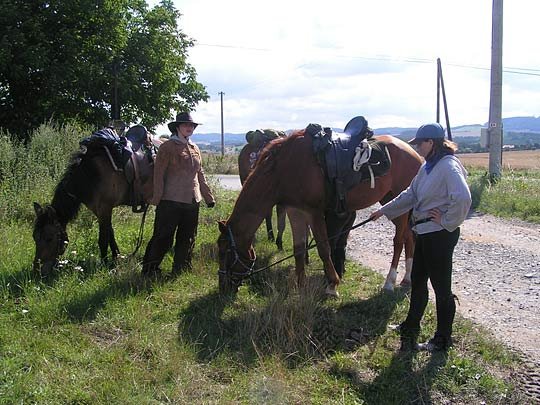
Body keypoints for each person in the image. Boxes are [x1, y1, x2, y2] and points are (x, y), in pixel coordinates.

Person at [369, 123, 472, 352]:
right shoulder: (428, 167)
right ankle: (411, 325)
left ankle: (442, 339)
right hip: (424, 232)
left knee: (441, 288)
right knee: (418, 281)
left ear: (431, 143)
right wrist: (383, 211)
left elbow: (463, 197)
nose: (418, 148)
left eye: (420, 144)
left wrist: (446, 220)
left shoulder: (448, 166)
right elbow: (411, 194)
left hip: (439, 235)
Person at [142, 112, 215, 277]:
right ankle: (150, 270)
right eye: (185, 125)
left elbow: (200, 173)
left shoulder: (195, 148)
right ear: (177, 127)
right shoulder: (167, 147)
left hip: (192, 201)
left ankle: (181, 268)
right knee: (163, 237)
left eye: (191, 125)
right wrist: (156, 198)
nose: (189, 128)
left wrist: (208, 197)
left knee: (188, 237)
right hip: (170, 201)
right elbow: (158, 174)